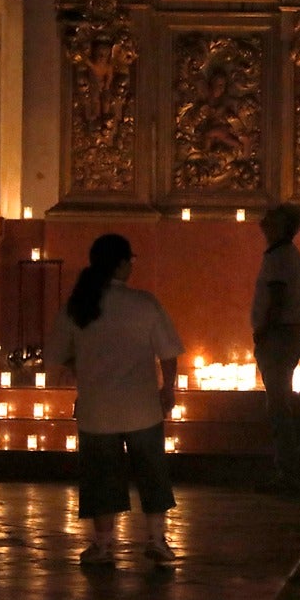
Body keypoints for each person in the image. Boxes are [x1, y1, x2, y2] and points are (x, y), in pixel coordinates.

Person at [46, 233, 184, 565]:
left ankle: (104, 545)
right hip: (142, 408)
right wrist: (168, 389)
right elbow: (168, 352)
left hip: (97, 409)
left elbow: (55, 355)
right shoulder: (144, 304)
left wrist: (84, 367)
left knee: (100, 477)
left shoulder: (78, 307)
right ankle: (156, 540)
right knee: (152, 474)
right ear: (122, 264)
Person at [251, 203, 300, 492]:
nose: (263, 222)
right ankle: (288, 467)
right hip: (284, 335)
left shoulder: (280, 257)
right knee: (279, 402)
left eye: (269, 219)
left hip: (277, 337)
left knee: (278, 405)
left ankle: (288, 470)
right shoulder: (286, 255)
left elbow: (277, 295)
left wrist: (264, 331)